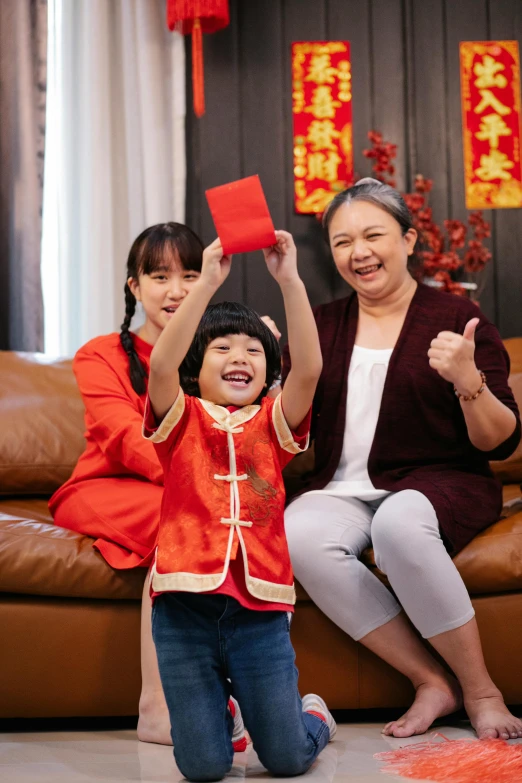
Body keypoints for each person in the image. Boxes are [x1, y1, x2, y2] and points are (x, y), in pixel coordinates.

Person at [283, 178, 522, 742]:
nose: (358, 252)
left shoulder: (456, 319)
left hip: (440, 483)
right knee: (295, 534)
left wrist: (470, 381)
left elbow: (500, 441)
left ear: (409, 240)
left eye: (373, 235)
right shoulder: (320, 326)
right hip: (341, 488)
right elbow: (287, 422)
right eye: (342, 242)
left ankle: (483, 690)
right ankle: (431, 681)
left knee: (398, 523)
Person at [49, 222, 253, 747]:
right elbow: (121, 435)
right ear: (134, 287)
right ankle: (157, 708)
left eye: (189, 274)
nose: (177, 289)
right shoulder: (101, 355)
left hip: (193, 490)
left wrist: (256, 364)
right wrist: (203, 486)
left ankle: (228, 693)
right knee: (180, 529)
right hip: (106, 486)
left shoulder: (217, 354)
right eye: (159, 276)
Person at [144, 232, 335, 781]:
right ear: (195, 367)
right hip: (183, 612)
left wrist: (289, 281)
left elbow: (309, 371)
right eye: (222, 348)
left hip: (260, 613)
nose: (240, 357)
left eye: (254, 350)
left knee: (287, 758)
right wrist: (205, 284)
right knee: (202, 768)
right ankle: (224, 716)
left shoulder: (273, 423)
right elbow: (160, 366)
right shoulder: (178, 418)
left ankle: (313, 714)